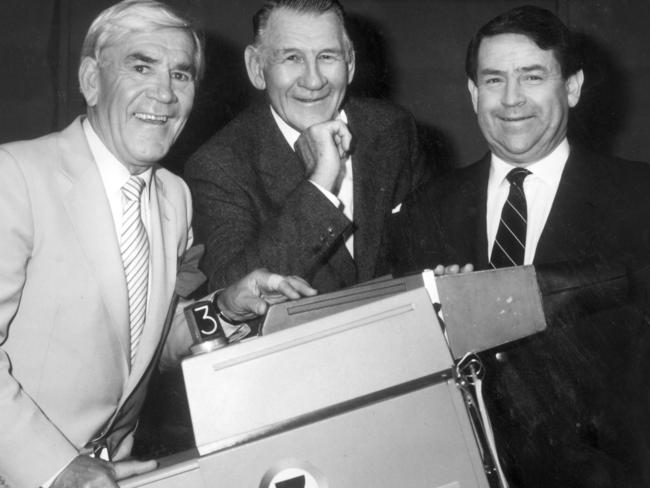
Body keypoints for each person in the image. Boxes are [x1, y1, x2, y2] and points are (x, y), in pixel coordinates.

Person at [0, 1, 316, 487]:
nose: (164, 93)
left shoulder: (175, 197)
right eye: (141, 66)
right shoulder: (14, 177)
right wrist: (55, 469)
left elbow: (145, 348)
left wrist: (227, 309)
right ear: (90, 80)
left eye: (182, 75)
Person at [389, 5, 650, 488]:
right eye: (493, 80)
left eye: (532, 77)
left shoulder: (640, 198)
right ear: (472, 93)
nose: (511, 100)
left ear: (571, 87)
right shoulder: (423, 212)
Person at [185, 0, 430, 294]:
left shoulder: (392, 129)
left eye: (327, 56)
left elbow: (427, 249)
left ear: (350, 64)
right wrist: (319, 186)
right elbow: (230, 290)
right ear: (257, 68)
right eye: (291, 58)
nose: (313, 81)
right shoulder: (219, 165)